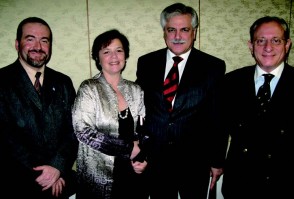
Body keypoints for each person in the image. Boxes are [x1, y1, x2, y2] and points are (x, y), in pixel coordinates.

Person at [135, 3, 228, 199]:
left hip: (195, 161)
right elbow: (139, 110)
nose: (178, 36)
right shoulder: (146, 63)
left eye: (184, 29)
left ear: (194, 32)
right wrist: (137, 150)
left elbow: (218, 117)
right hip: (155, 159)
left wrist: (217, 161)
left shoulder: (213, 66)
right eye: (172, 30)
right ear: (164, 32)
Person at [221, 16, 294, 199]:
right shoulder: (231, 82)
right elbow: (219, 128)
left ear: (287, 45)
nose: (268, 47)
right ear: (251, 45)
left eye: (276, 40)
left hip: (288, 185)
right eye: (260, 41)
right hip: (240, 185)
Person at [0, 17, 78, 198]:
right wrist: (45, 174)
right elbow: (5, 137)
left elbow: (74, 130)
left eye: (44, 40)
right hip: (16, 183)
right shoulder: (2, 81)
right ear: (17, 44)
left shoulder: (63, 82)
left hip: (62, 181)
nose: (38, 46)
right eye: (30, 39)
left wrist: (57, 167)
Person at [72, 29, 148, 199]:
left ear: (125, 56)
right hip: (99, 175)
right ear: (97, 58)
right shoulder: (89, 88)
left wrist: (142, 158)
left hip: (131, 173)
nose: (114, 56)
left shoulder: (135, 90)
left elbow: (143, 129)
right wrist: (128, 149)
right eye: (106, 51)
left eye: (119, 50)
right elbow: (82, 131)